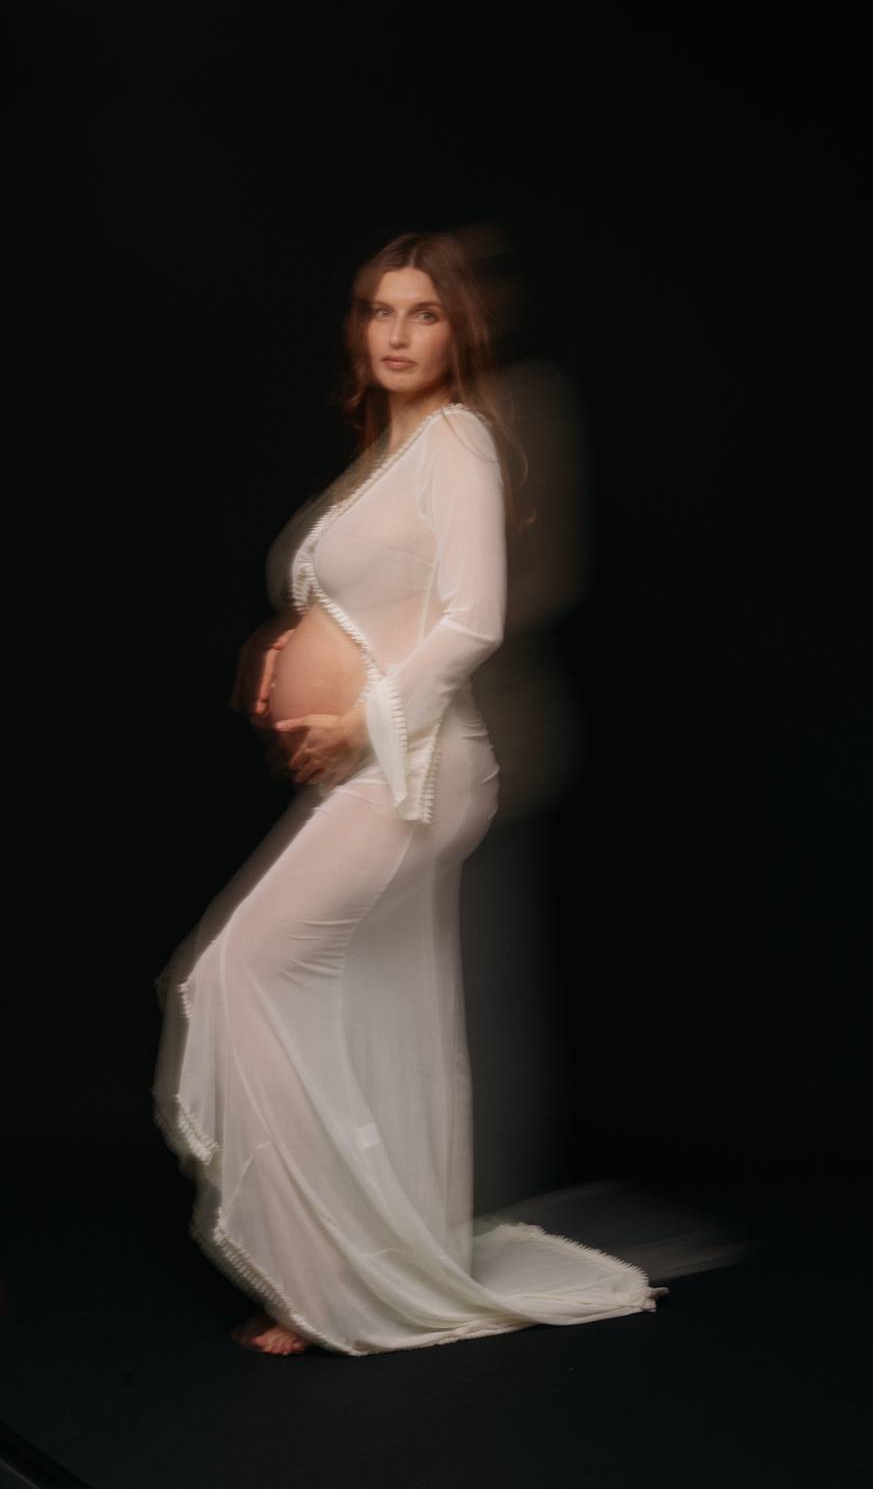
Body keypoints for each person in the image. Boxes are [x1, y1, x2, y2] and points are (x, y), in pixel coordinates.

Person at [151, 230, 669, 1356]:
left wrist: (360, 713)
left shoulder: (459, 442)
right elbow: (373, 602)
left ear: (457, 331)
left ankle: (320, 1281)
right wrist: (292, 659)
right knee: (368, 1005)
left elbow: (475, 620)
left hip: (422, 768)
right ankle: (358, 1258)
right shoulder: (389, 454)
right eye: (379, 311)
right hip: (380, 769)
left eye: (423, 314)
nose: (396, 333)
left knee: (237, 972)